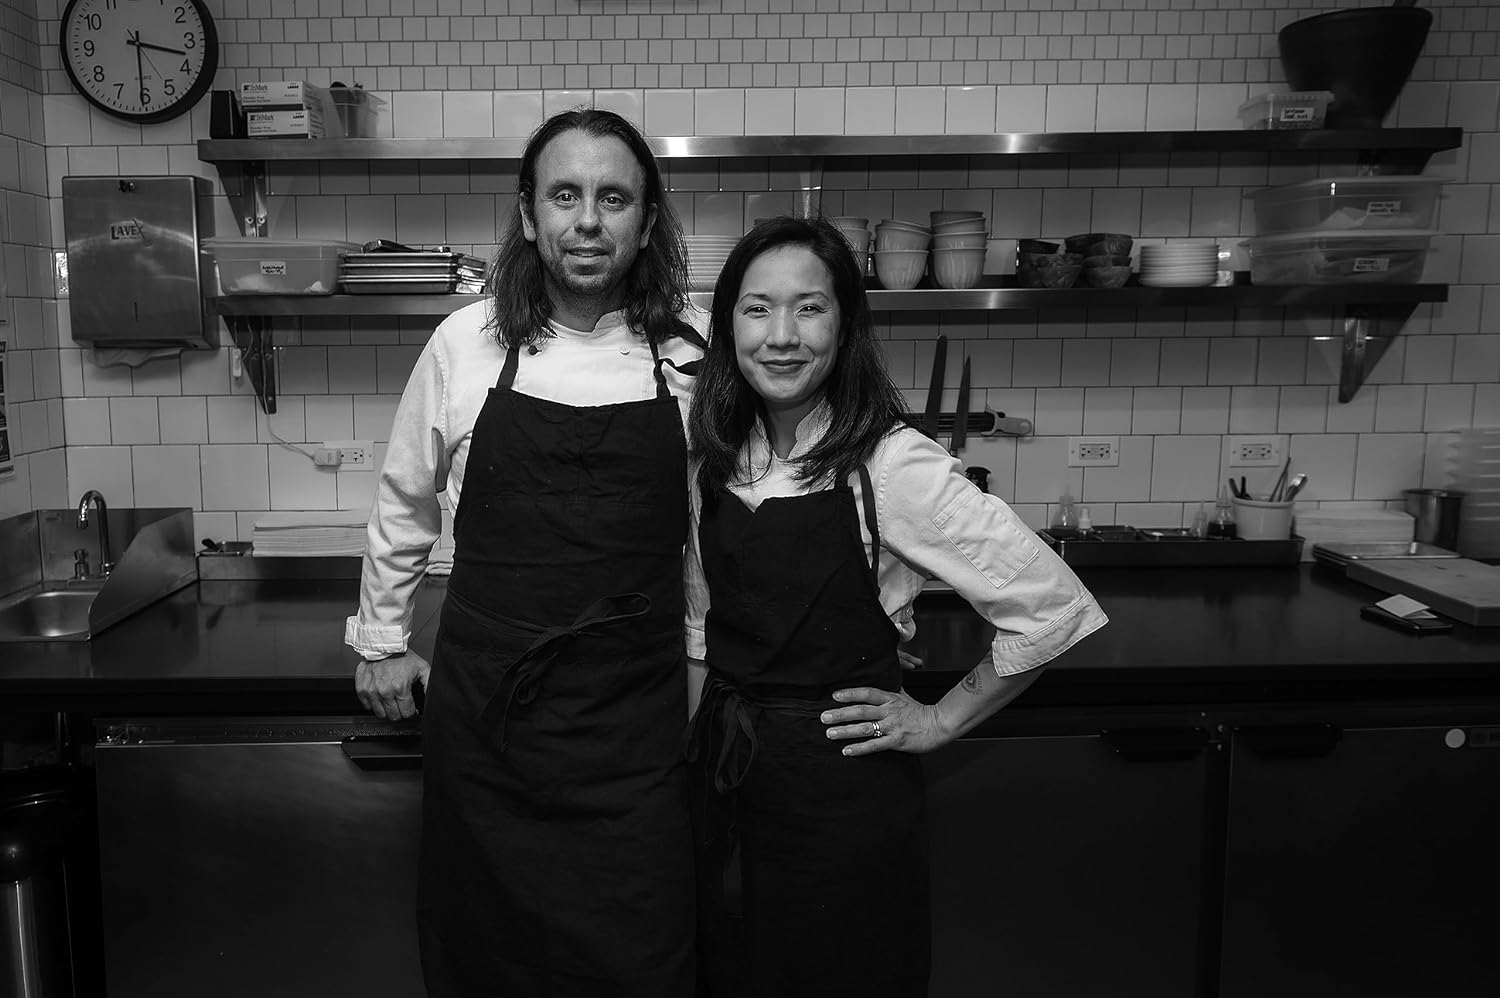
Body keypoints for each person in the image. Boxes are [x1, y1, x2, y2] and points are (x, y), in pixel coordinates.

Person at [683, 215, 1107, 998]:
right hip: (728, 781)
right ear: (728, 327)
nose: (782, 335)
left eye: (810, 308)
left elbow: (1052, 608)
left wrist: (938, 720)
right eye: (757, 308)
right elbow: (702, 630)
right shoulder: (716, 453)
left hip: (844, 797)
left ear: (845, 327)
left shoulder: (891, 462)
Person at [345, 108, 706, 997]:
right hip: (490, 715)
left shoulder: (693, 352)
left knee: (642, 951)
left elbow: (710, 530)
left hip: (636, 713)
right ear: (529, 215)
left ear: (646, 222)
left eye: (613, 198)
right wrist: (382, 639)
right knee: (488, 957)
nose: (588, 220)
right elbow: (405, 497)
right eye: (565, 196)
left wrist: (702, 654)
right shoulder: (464, 344)